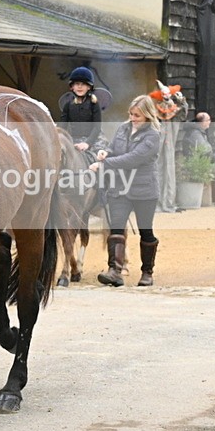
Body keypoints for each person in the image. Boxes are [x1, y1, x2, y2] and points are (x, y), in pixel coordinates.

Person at [89, 95, 161, 287]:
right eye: (131, 114)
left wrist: (103, 164)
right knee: (116, 227)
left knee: (146, 230)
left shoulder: (153, 135)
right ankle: (115, 271)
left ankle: (147, 272)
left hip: (144, 189)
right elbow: (114, 148)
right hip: (120, 187)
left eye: (137, 115)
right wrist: (106, 152)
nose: (133, 118)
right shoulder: (123, 128)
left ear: (147, 115)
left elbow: (133, 159)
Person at [149, 81, 188, 213]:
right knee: (157, 170)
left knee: (169, 171)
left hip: (170, 145)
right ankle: (157, 202)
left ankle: (168, 202)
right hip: (157, 148)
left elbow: (182, 113)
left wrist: (182, 101)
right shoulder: (155, 112)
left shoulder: (175, 112)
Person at [59, 66, 105, 158]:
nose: (80, 86)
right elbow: (62, 126)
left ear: (89, 87)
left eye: (83, 84)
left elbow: (97, 127)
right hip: (73, 140)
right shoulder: (68, 105)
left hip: (93, 140)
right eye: (77, 84)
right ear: (72, 87)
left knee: (100, 159)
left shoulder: (94, 104)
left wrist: (87, 144)